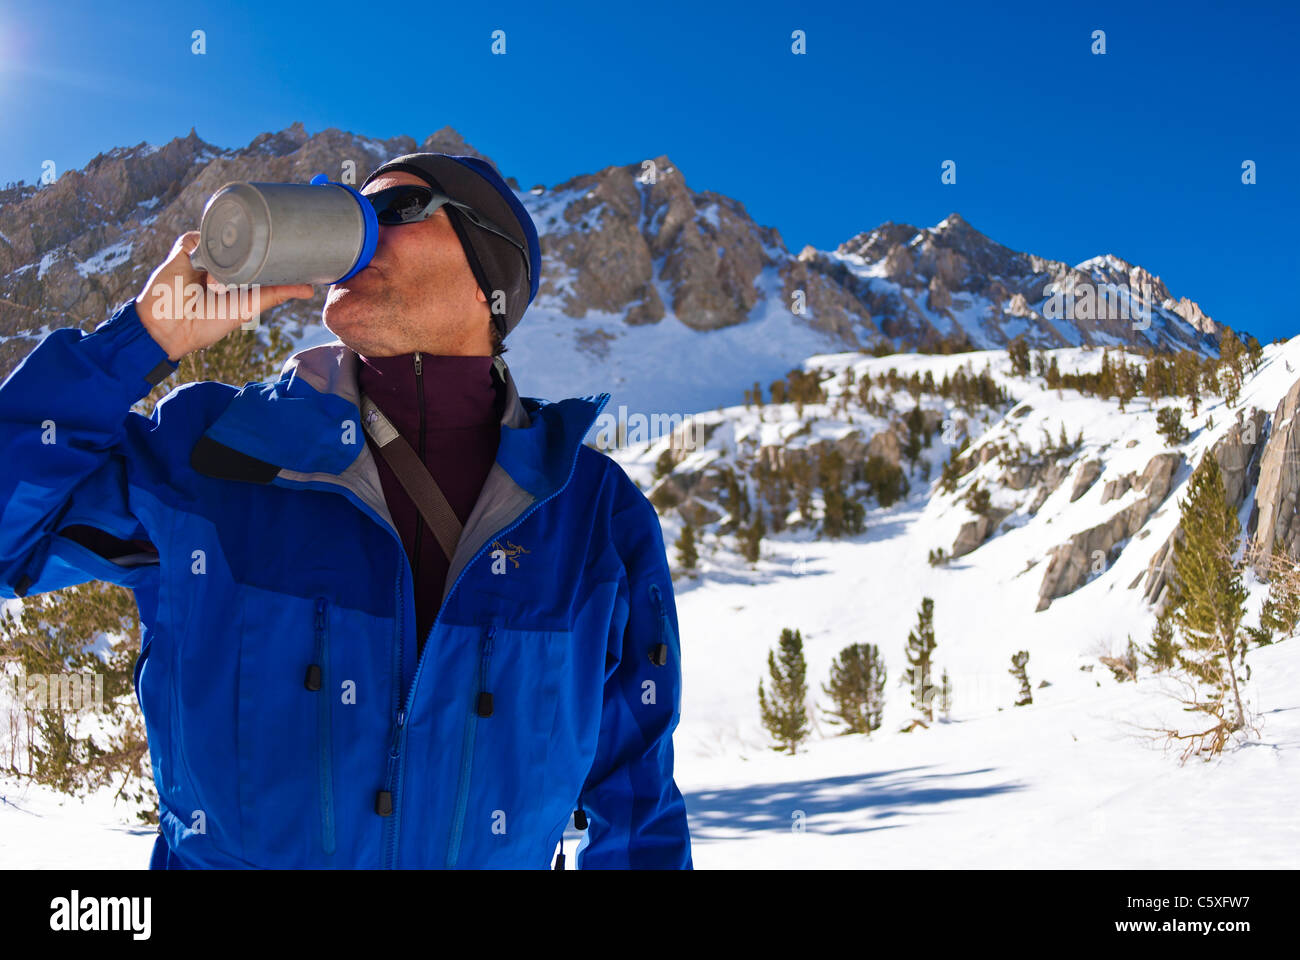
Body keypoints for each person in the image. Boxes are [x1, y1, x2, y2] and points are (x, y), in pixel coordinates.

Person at [0, 152, 692, 869]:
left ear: (493, 275)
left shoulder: (592, 515)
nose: (356, 233)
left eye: (393, 212)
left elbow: (638, 807)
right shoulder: (214, 454)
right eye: (350, 210)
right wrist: (145, 337)